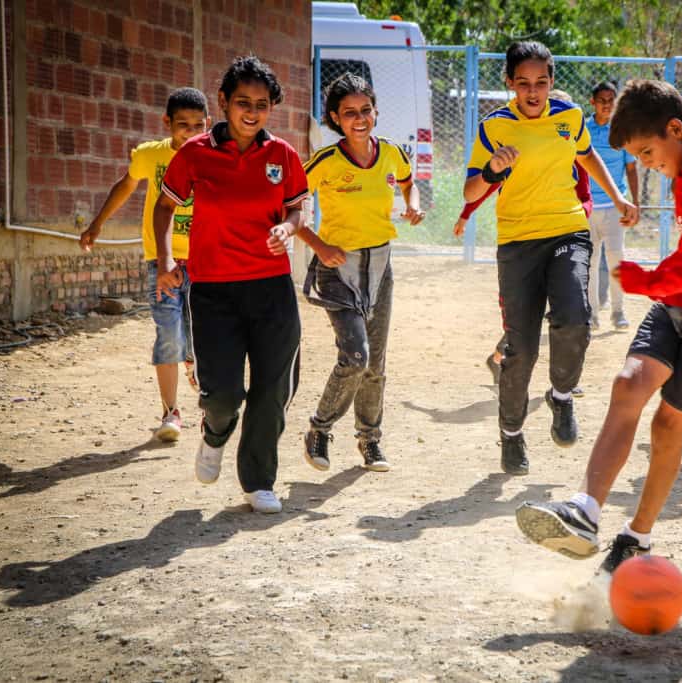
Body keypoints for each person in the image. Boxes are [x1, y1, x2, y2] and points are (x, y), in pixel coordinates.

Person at [515, 78, 682, 573]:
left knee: (666, 421)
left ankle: (637, 536)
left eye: (648, 151)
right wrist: (663, 283)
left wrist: (654, 278)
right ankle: (585, 512)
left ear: (676, 129)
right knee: (628, 383)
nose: (647, 163)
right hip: (680, 300)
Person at [465, 41, 639, 476]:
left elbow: (587, 155)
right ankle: (511, 433)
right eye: (522, 83)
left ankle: (561, 397)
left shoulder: (570, 117)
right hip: (518, 242)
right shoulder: (494, 127)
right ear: (508, 83)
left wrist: (618, 197)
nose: (533, 91)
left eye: (541, 82)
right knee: (519, 349)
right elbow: (470, 190)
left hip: (567, 230)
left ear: (551, 82)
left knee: (576, 317)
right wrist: (491, 172)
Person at [153, 55, 309, 514]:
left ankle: (258, 480)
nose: (252, 112)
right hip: (215, 290)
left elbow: (297, 209)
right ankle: (214, 432)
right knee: (222, 394)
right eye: (242, 102)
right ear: (223, 102)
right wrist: (165, 259)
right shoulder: (195, 154)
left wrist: (289, 228)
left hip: (272, 288)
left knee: (273, 388)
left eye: (262, 104)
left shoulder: (282, 155)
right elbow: (165, 208)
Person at [299, 73, 425, 474]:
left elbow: (409, 182)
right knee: (356, 354)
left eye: (366, 110)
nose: (359, 118)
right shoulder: (325, 162)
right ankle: (319, 429)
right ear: (335, 118)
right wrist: (318, 245)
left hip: (381, 266)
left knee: (376, 362)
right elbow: (286, 205)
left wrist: (413, 204)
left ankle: (370, 440)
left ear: (375, 112)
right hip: (338, 268)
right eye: (349, 112)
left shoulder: (389, 153)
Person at [79, 88, 209, 443]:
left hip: (206, 260)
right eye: (183, 125)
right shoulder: (152, 155)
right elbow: (126, 185)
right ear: (167, 123)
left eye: (198, 125)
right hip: (161, 259)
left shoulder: (213, 155)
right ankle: (170, 411)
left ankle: (195, 364)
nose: (191, 132)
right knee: (168, 329)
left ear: (208, 124)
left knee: (202, 332)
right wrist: (97, 223)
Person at [453, 90, 592, 392]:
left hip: (565, 230)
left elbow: (585, 189)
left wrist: (583, 213)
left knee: (567, 310)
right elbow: (487, 186)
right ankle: (501, 357)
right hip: (526, 238)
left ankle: (564, 382)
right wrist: (466, 214)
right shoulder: (515, 144)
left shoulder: (571, 150)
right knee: (529, 319)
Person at [586, 80, 640, 330]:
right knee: (590, 261)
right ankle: (592, 313)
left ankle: (618, 311)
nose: (607, 105)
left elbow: (631, 168)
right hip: (588, 206)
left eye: (611, 100)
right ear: (593, 102)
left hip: (615, 207)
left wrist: (635, 203)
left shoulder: (622, 130)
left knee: (617, 259)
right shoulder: (583, 129)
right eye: (602, 100)